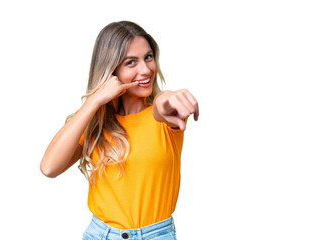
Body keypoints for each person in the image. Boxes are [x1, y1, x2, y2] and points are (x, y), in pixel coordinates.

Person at [40, 21, 199, 240]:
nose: (145, 70)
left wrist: (168, 97)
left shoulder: (164, 118)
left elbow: (163, 106)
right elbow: (49, 168)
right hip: (100, 234)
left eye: (148, 57)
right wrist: (94, 100)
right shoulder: (96, 124)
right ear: (112, 70)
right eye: (131, 62)